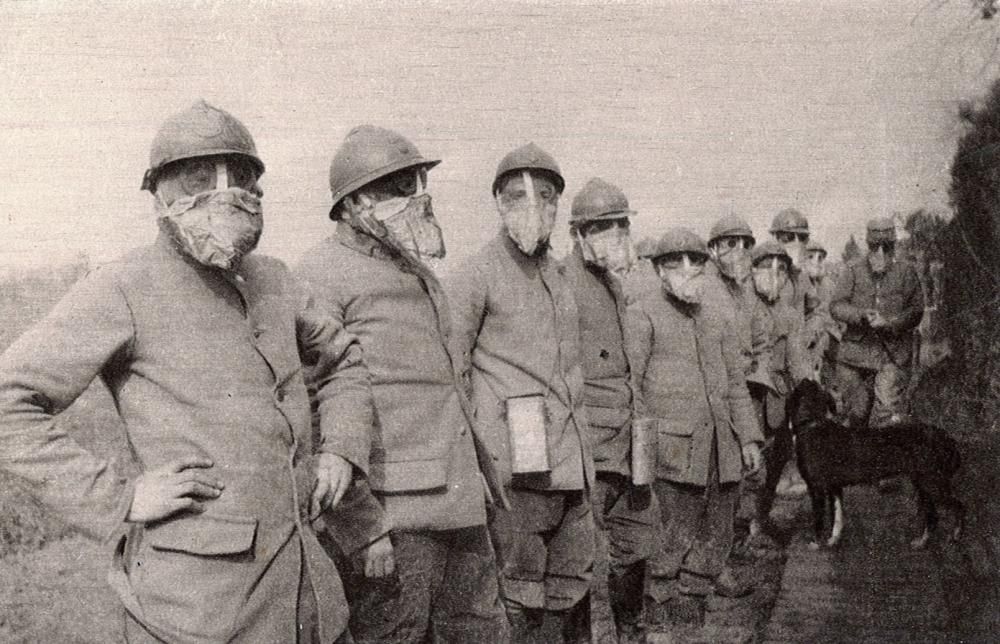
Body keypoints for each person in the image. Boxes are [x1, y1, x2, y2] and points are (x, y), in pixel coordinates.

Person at [0, 100, 372, 643]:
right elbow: (9, 401)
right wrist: (120, 499)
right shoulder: (122, 287)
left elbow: (342, 360)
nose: (226, 195)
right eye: (199, 179)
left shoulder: (274, 279)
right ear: (159, 196)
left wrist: (341, 446)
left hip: (308, 599)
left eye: (241, 178)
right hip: (195, 611)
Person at [297, 125, 508, 643]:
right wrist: (362, 527)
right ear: (352, 204)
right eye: (398, 186)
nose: (416, 196)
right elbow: (319, 413)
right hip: (392, 523)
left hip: (460, 506)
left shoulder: (415, 269)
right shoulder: (318, 278)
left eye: (416, 181)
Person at [448, 143, 594, 643]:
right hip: (517, 470)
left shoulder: (559, 275)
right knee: (519, 591)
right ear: (497, 202)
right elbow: (454, 370)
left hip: (571, 463)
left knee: (569, 584)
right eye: (517, 195)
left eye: (546, 195)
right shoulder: (475, 274)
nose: (533, 207)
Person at [627, 228, 763, 623]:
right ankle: (657, 613)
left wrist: (750, 438)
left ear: (706, 266)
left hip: (722, 448)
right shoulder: (643, 314)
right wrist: (641, 456)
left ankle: (692, 608)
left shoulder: (718, 317)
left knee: (717, 535)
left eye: (696, 262)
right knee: (669, 538)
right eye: (676, 263)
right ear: (659, 270)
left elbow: (737, 385)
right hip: (673, 455)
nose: (688, 271)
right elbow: (631, 385)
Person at [563, 177, 657, 642]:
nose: (616, 235)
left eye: (621, 225)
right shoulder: (564, 286)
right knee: (578, 561)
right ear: (579, 234)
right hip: (589, 453)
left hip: (628, 445)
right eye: (603, 227)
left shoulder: (616, 286)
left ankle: (631, 634)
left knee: (635, 544)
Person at [743, 241, 811, 538]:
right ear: (752, 270)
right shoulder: (740, 307)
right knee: (749, 463)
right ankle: (744, 525)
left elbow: (798, 359)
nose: (773, 275)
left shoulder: (791, 315)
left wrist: (810, 389)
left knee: (780, 455)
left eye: (781, 270)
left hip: (778, 398)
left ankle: (761, 515)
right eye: (765, 267)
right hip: (747, 396)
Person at [830, 217, 922, 428]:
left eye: (887, 247)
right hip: (854, 356)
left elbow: (916, 311)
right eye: (875, 246)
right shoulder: (853, 270)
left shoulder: (907, 272)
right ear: (868, 244)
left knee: (885, 417)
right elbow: (836, 306)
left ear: (894, 245)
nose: (880, 252)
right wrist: (860, 315)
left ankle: (883, 459)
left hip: (891, 356)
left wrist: (890, 323)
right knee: (856, 414)